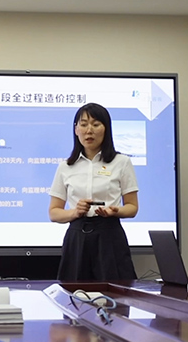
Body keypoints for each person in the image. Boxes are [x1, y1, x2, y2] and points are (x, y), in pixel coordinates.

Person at [49, 103, 139, 281]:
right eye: (83, 124)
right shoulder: (66, 166)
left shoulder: (121, 162)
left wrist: (116, 211)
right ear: (76, 130)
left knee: (116, 292)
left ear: (106, 129)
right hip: (77, 237)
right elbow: (54, 212)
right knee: (74, 291)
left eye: (96, 124)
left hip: (109, 235)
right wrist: (75, 212)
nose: (89, 130)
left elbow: (132, 207)